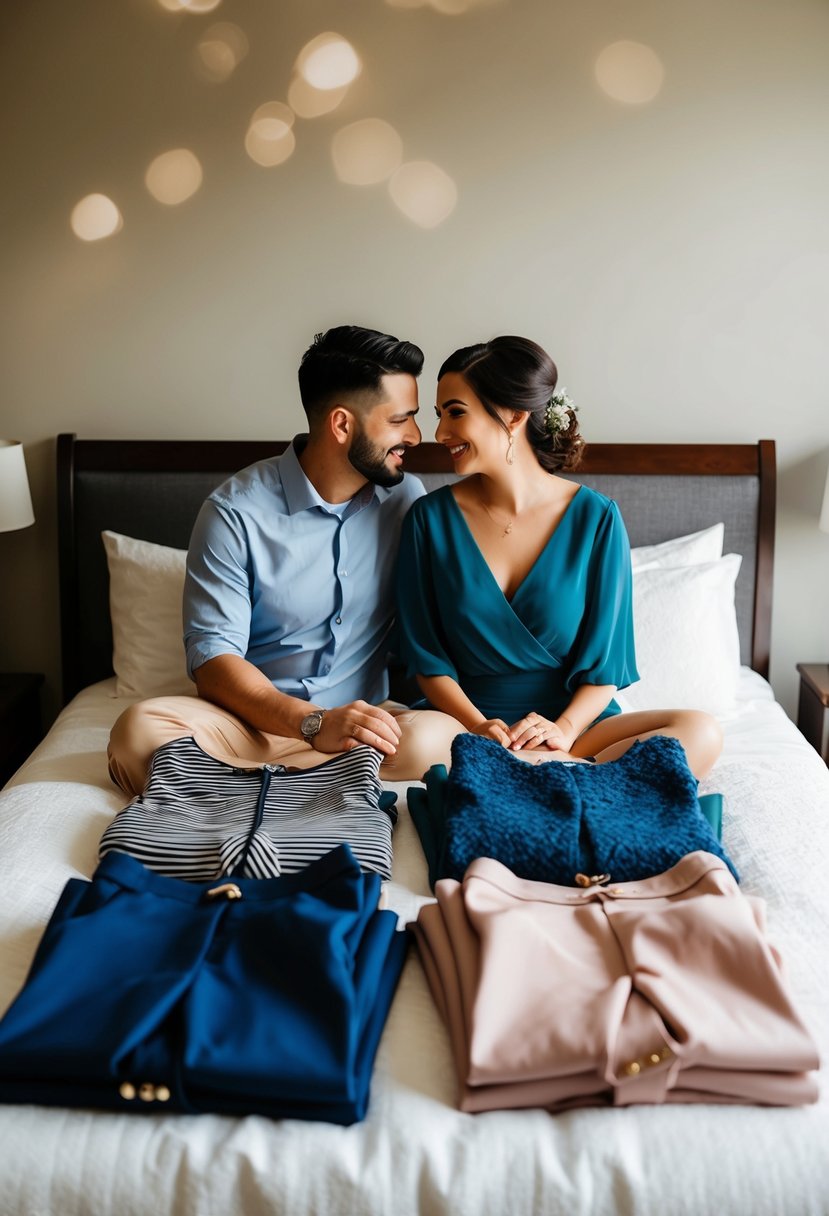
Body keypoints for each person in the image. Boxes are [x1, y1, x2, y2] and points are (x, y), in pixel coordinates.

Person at [108, 324, 449, 796]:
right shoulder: (234, 512)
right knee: (138, 731)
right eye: (399, 420)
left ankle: (251, 793)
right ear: (342, 424)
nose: (414, 435)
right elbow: (214, 659)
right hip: (250, 726)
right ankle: (318, 786)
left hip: (364, 730)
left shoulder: (406, 499)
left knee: (439, 739)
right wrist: (312, 723)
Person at [394, 335, 723, 779]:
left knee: (700, 732)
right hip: (464, 727)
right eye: (439, 415)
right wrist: (478, 726)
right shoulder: (427, 520)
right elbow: (425, 660)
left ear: (513, 414)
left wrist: (563, 730)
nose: (439, 434)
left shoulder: (597, 518)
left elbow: (607, 664)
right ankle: (564, 778)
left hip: (574, 730)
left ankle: (524, 775)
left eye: (455, 412)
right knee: (406, 744)